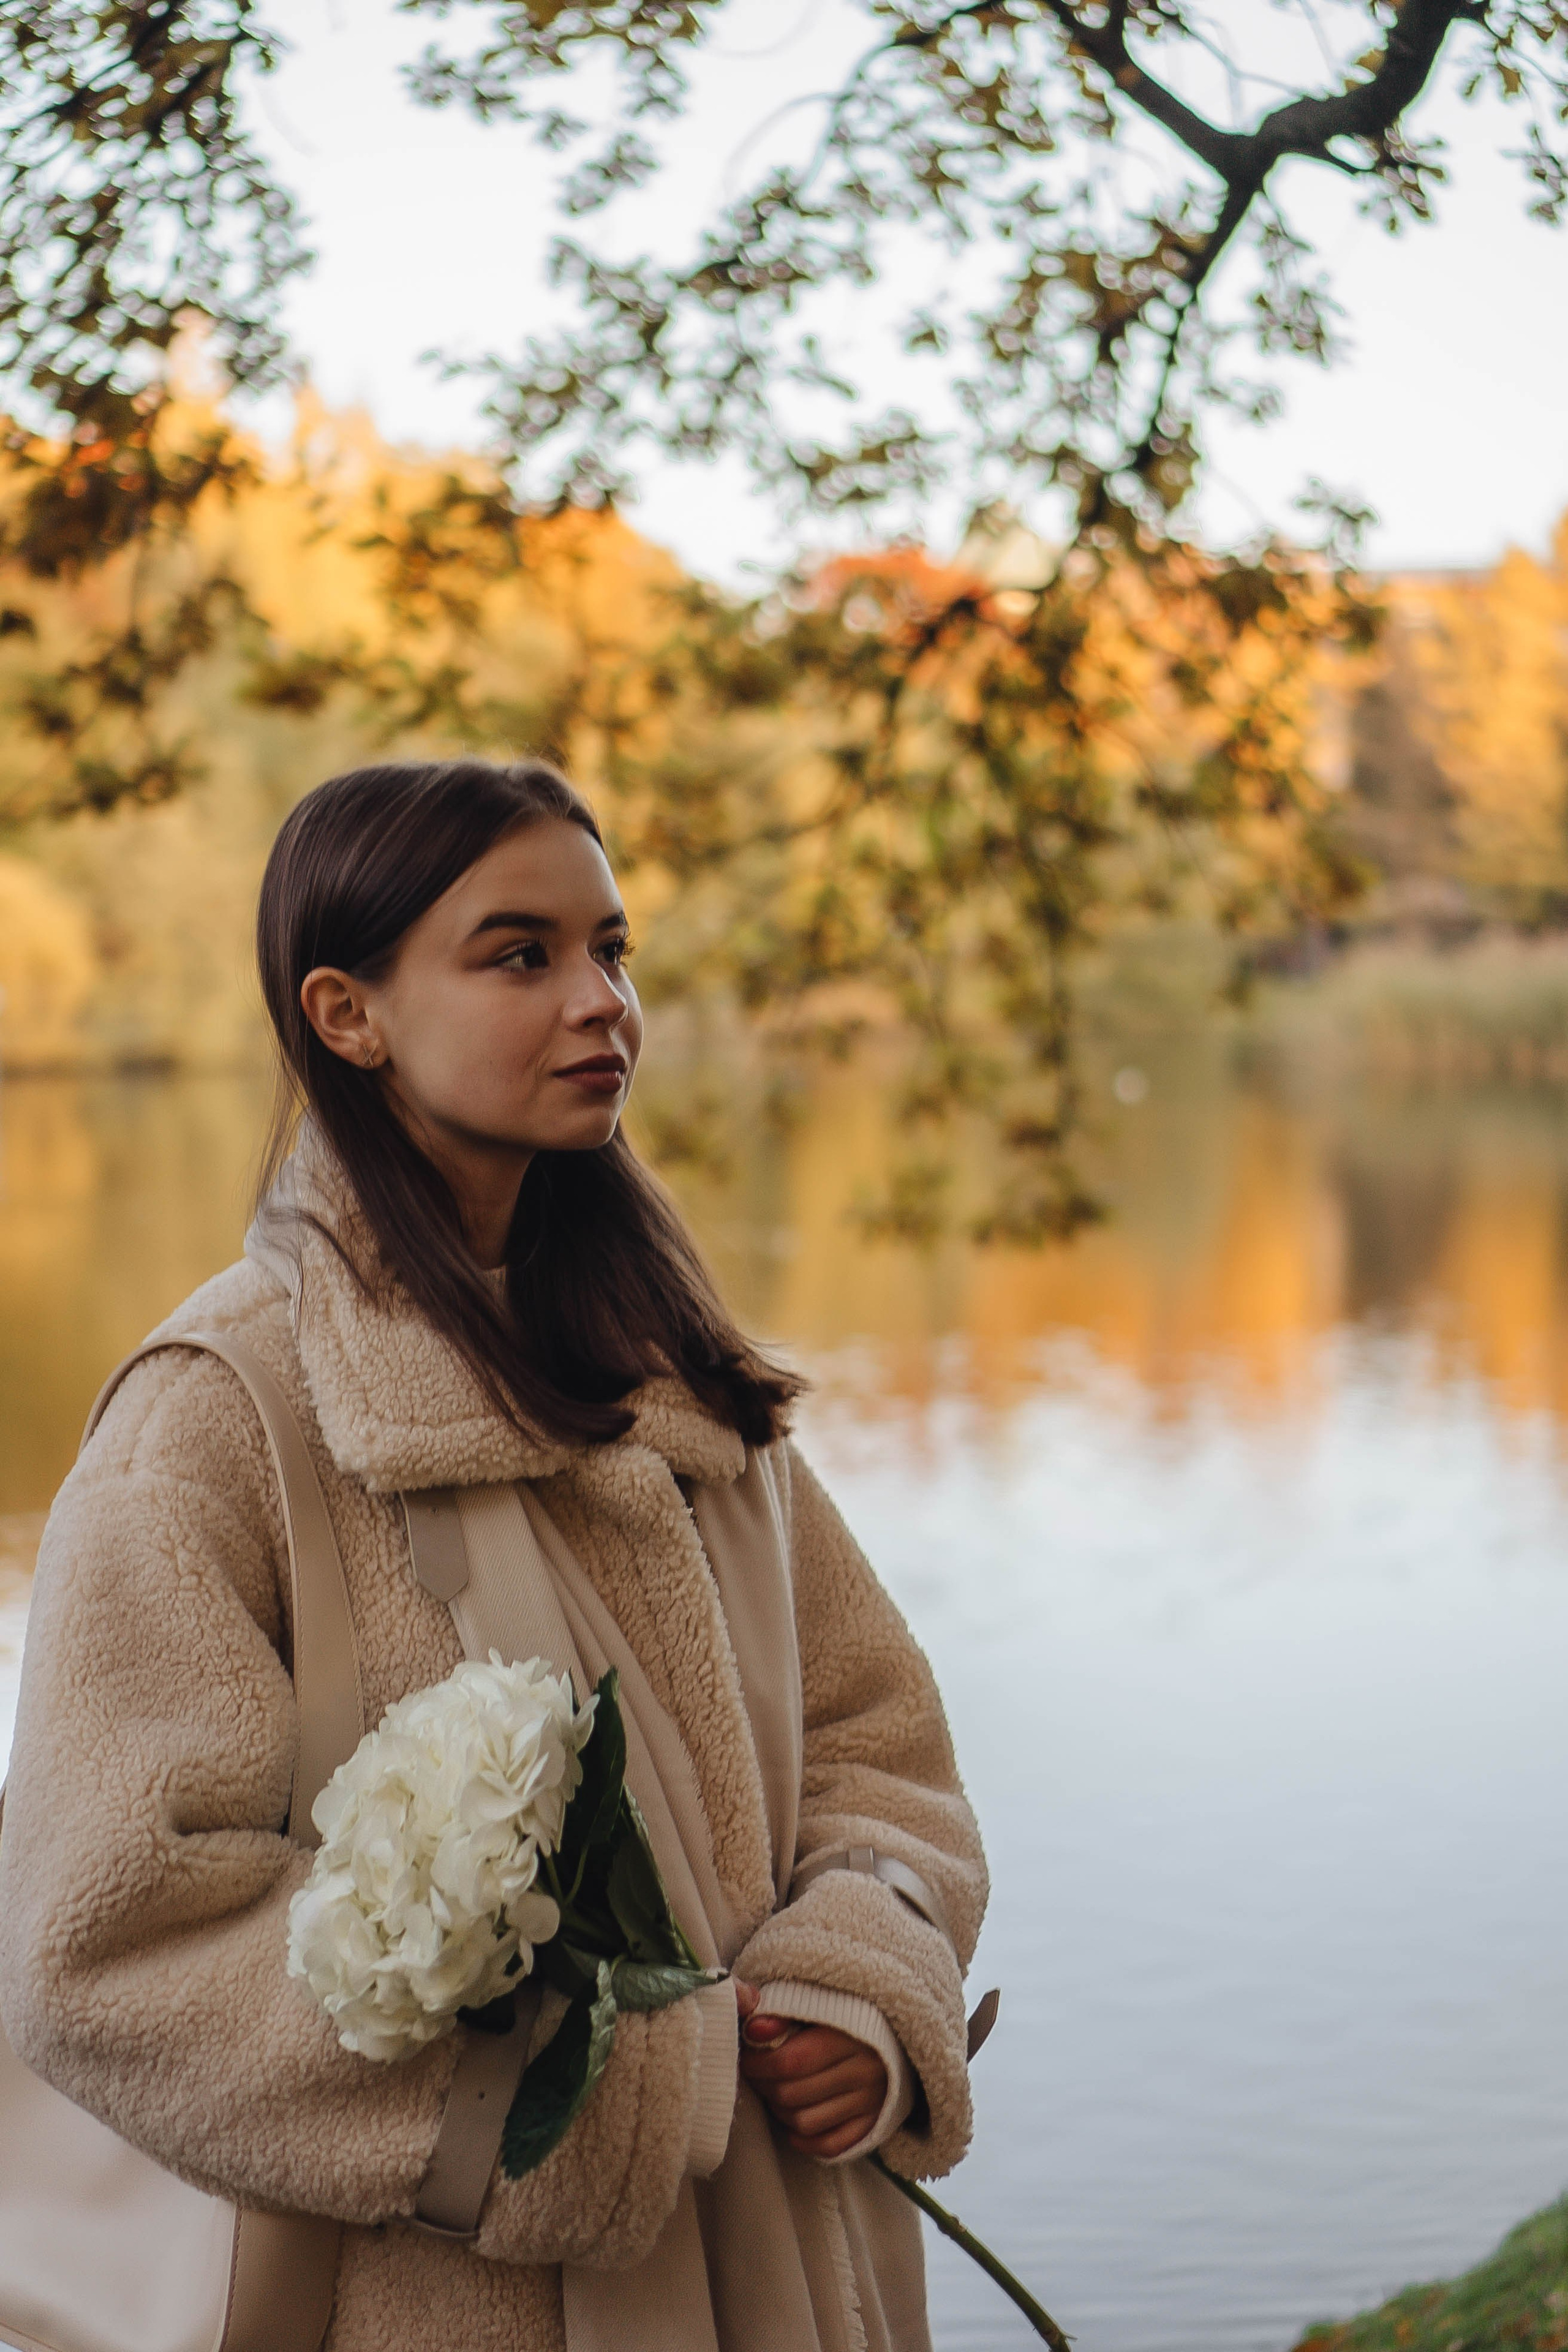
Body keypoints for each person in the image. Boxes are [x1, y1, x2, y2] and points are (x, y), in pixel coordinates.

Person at [0, 758, 988, 2352]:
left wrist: (857, 1983)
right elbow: (106, 1946)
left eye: (613, 949)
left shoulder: (678, 1378)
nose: (602, 1002)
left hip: (784, 2275)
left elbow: (877, 1743)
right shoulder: (215, 1419)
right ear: (348, 1015)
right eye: (520, 955)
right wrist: (592, 2097)